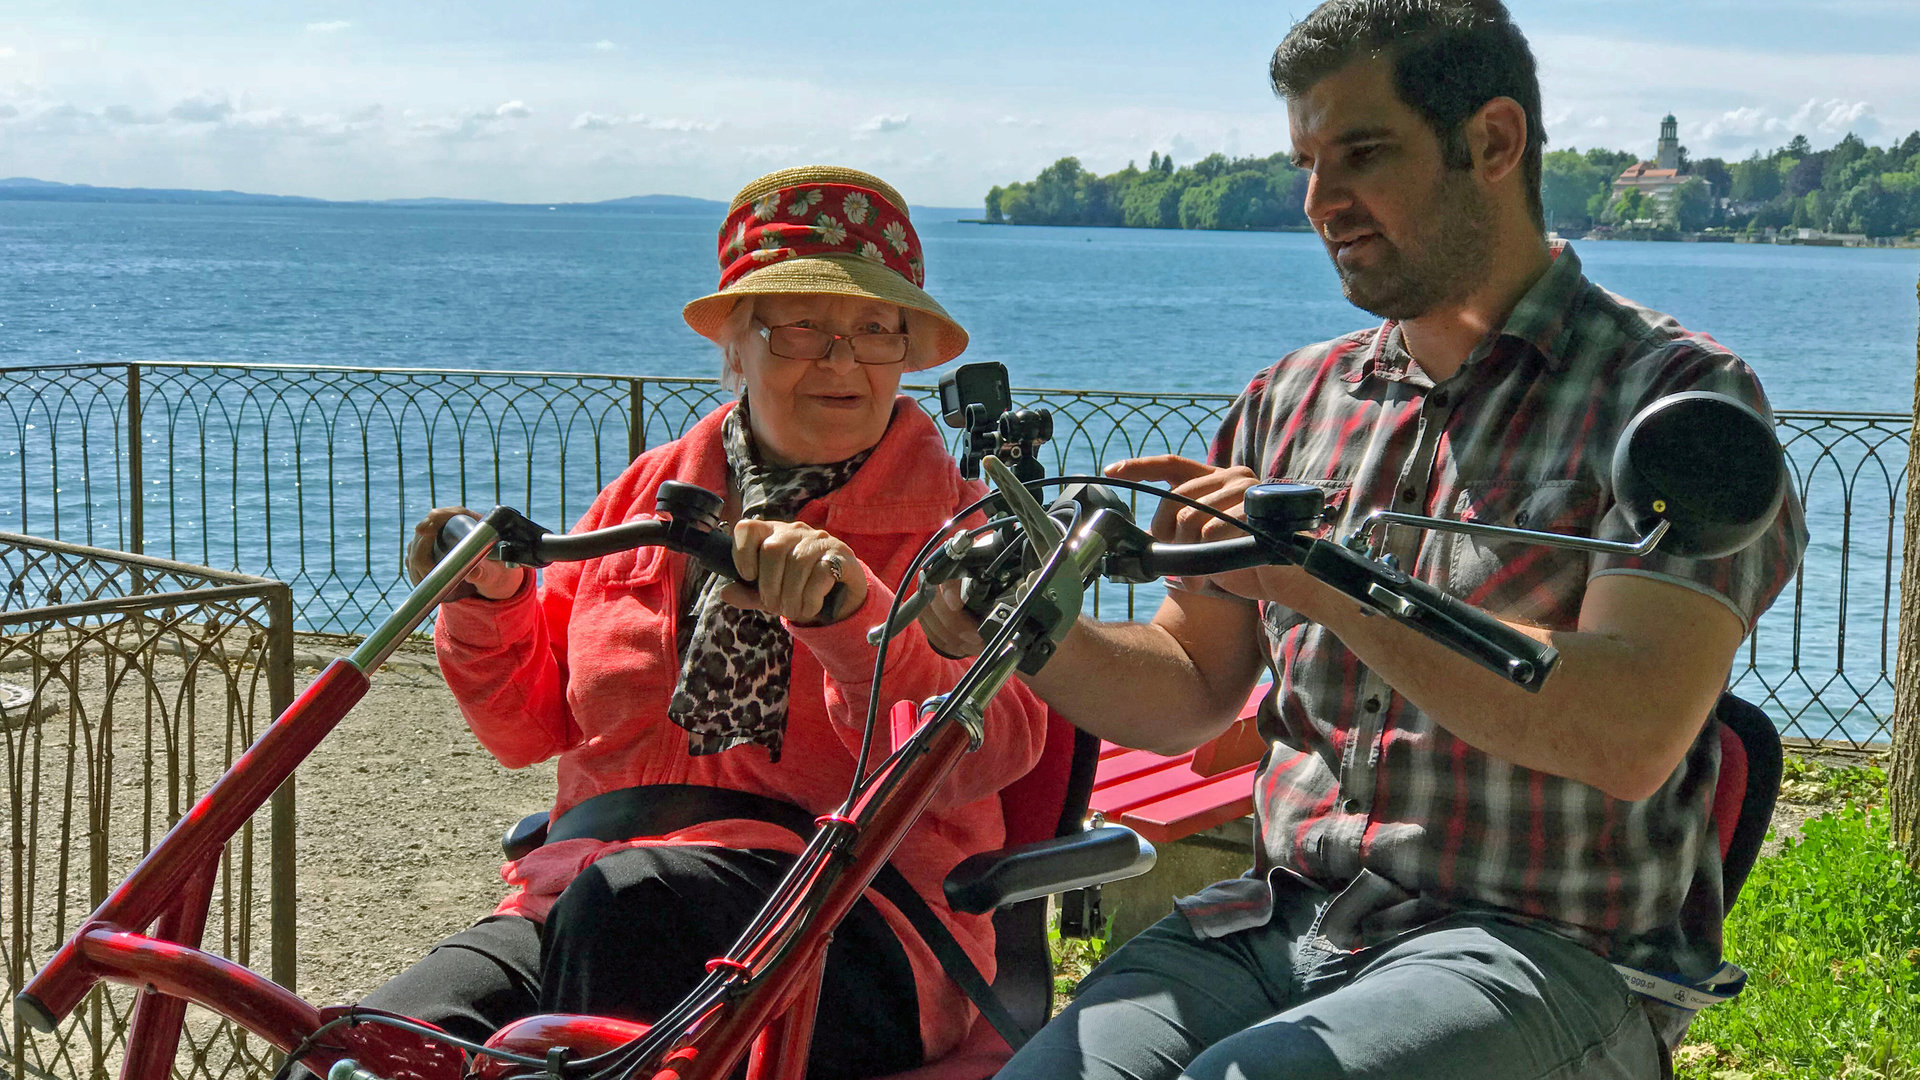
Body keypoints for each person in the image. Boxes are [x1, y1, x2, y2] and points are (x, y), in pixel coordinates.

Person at [921, 5, 1807, 1079]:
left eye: (1363, 152)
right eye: (1306, 161)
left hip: (1540, 954)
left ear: (1492, 142)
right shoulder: (1288, 400)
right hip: (1274, 922)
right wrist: (1023, 628)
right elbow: (1190, 686)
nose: (1319, 200)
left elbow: (1629, 732)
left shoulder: (1675, 400)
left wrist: (1324, 578)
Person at [362, 165, 1047, 1080]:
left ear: (906, 351)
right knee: (367, 1048)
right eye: (804, 326)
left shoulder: (962, 529)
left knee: (628, 912)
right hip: (580, 893)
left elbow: (997, 746)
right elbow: (525, 728)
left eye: (875, 331)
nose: (842, 360)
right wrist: (487, 607)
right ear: (737, 343)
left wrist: (854, 631)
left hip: (853, 922)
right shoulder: (647, 496)